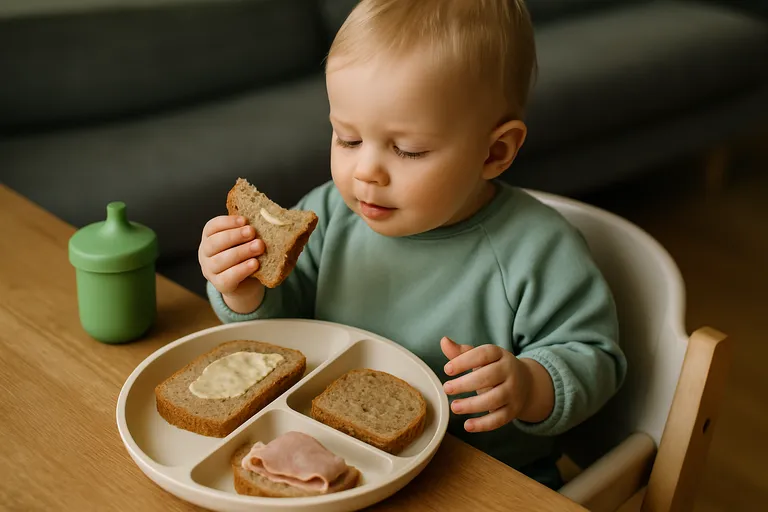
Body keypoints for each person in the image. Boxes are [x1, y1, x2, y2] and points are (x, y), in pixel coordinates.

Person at [199, 0, 627, 489]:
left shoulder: (539, 250)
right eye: (347, 139)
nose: (366, 172)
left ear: (495, 152)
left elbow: (597, 359)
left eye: (407, 149)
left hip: (479, 480)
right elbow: (287, 326)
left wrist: (530, 384)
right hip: (336, 462)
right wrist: (244, 288)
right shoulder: (332, 213)